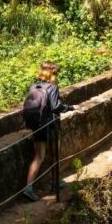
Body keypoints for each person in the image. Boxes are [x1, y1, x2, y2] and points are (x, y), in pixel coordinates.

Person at [22, 62, 75, 201]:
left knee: (38, 156)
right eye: (55, 73)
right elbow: (56, 106)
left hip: (37, 126)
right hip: (50, 126)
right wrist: (69, 107)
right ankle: (55, 183)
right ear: (51, 73)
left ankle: (28, 188)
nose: (56, 75)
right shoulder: (52, 87)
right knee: (54, 155)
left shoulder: (33, 86)